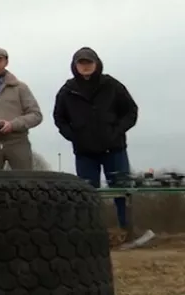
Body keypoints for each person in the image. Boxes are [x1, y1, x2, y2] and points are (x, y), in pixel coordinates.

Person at [53, 47, 139, 235]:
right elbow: (59, 118)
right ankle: (91, 233)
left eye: (89, 62)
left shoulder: (112, 85)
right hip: (85, 153)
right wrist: (74, 136)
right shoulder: (67, 91)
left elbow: (131, 111)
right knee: (87, 194)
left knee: (122, 191)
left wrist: (117, 131)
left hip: (114, 149)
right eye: (81, 63)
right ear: (75, 66)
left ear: (96, 64)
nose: (85, 66)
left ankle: (127, 232)